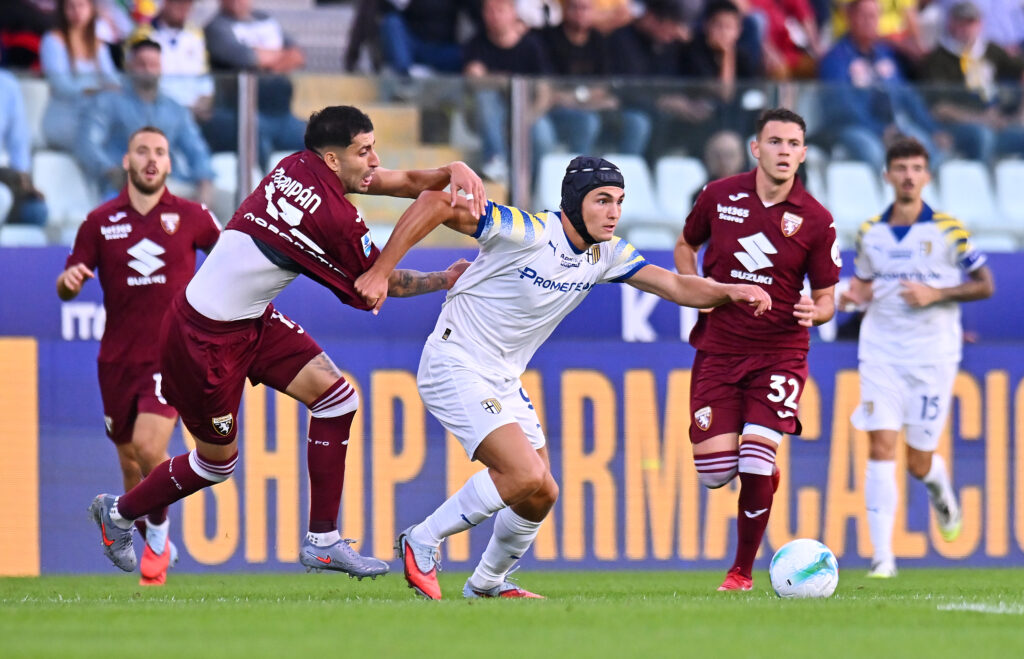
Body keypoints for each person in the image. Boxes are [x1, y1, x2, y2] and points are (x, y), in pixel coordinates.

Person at [87, 105, 488, 581]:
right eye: (365, 150)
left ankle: (323, 542)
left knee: (336, 400)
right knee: (216, 465)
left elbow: (394, 181)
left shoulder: (296, 165)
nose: (375, 159)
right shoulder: (334, 220)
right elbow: (378, 287)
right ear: (335, 160)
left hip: (249, 319)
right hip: (203, 341)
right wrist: (443, 277)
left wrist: (449, 170)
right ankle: (119, 514)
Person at [353, 156, 772, 599]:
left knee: (540, 492)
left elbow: (674, 285)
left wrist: (727, 291)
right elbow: (437, 201)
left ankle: (487, 584)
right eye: (603, 200)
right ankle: (422, 539)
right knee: (522, 474)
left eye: (620, 201)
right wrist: (380, 271)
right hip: (455, 360)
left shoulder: (606, 253)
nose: (614, 212)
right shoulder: (528, 231)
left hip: (502, 376)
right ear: (575, 203)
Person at [673, 107, 841, 591]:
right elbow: (686, 244)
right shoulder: (719, 195)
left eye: (793, 144)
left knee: (754, 457)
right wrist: (698, 287)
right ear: (756, 148)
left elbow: (828, 297)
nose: (784, 151)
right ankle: (762, 471)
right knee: (714, 473)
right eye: (775, 142)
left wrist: (818, 311)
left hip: (780, 352)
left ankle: (741, 571)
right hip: (719, 350)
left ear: (803, 154)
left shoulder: (817, 220)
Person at [58, 126, 220, 586]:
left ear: (170, 164)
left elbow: (230, 257)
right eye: (142, 151)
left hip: (171, 356)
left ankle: (160, 537)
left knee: (151, 447)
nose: (152, 159)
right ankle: (142, 529)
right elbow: (68, 280)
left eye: (160, 152)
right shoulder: (99, 221)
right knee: (130, 459)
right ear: (127, 161)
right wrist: (68, 283)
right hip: (115, 360)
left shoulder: (191, 216)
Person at [838, 137, 994, 578]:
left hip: (933, 356)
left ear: (927, 176)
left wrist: (937, 292)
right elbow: (865, 286)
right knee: (880, 444)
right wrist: (851, 297)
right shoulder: (870, 232)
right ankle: (882, 558)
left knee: (917, 459)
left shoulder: (949, 229)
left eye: (916, 168)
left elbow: (985, 284)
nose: (908, 176)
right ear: (887, 175)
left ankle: (938, 485)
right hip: (881, 353)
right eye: (901, 168)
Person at [76, 36, 215, 202]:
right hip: (121, 188)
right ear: (129, 66)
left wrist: (204, 181)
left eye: (154, 64)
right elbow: (87, 144)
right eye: (142, 64)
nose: (148, 70)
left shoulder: (175, 109)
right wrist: (112, 171)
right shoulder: (108, 101)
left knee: (227, 205)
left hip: (170, 185)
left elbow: (196, 150)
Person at [818, 0, 948, 172]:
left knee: (930, 150)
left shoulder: (885, 54)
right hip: (852, 128)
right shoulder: (836, 58)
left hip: (894, 126)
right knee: (875, 153)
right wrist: (880, 130)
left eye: (873, 16)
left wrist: (933, 129)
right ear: (850, 17)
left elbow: (907, 97)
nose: (868, 22)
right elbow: (842, 107)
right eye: (863, 16)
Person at [39, 0, 120, 152]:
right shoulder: (52, 40)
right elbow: (61, 85)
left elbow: (112, 79)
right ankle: (109, 172)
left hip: (93, 119)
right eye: (71, 6)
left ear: (91, 9)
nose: (77, 12)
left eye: (82, 6)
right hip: (64, 121)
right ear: (62, 10)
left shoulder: (98, 44)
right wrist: (97, 89)